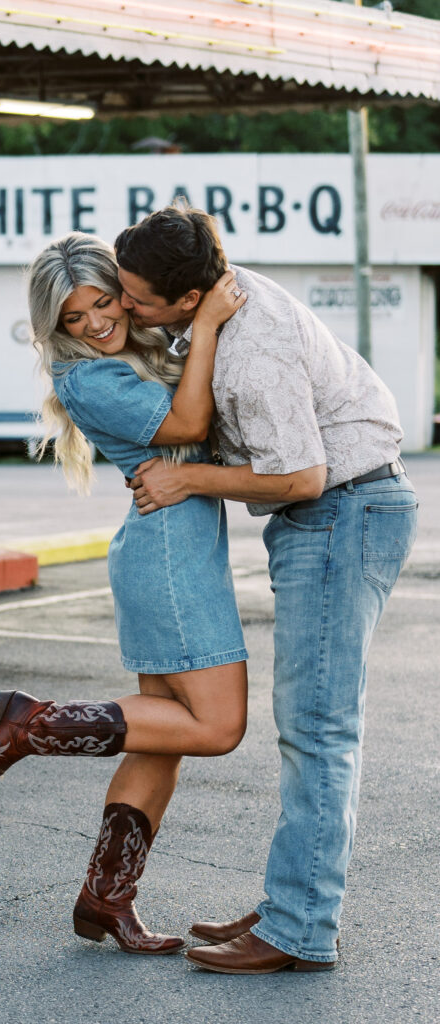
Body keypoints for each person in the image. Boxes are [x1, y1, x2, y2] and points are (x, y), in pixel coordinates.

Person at [114, 202, 419, 974]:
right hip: (337, 512)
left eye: (136, 298)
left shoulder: (255, 353)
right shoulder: (221, 295)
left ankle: (298, 927)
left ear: (188, 298)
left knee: (316, 729)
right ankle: (295, 901)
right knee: (311, 726)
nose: (124, 307)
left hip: (339, 511)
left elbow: (300, 474)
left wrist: (186, 479)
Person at [0, 231, 249, 956]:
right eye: (73, 318)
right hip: (168, 560)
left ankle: (105, 898)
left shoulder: (128, 355)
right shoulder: (88, 379)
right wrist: (213, 320)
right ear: (53, 328)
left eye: (102, 302)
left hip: (172, 549)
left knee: (160, 740)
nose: (95, 323)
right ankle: (36, 724)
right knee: (218, 727)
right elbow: (188, 425)